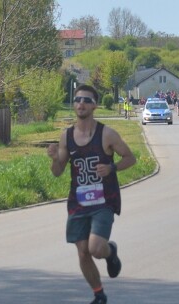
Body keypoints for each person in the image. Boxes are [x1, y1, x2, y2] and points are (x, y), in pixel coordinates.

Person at [47, 84, 136, 304]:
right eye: (77, 100)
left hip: (103, 200)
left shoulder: (107, 134)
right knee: (83, 253)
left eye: (86, 100)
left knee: (95, 248)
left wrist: (112, 168)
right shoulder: (66, 136)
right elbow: (58, 173)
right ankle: (99, 294)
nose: (81, 104)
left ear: (94, 105)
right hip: (78, 201)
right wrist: (54, 159)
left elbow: (130, 158)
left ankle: (110, 251)